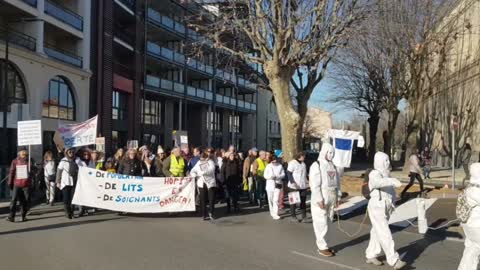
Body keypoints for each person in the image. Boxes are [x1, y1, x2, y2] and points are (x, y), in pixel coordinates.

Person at [365, 152, 406, 269]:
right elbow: (378, 183)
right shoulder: (374, 173)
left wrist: (393, 202)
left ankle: (371, 254)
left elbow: (390, 191)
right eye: (385, 161)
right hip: (377, 205)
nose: (388, 163)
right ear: (379, 162)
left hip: (386, 206)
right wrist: (393, 181)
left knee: (376, 231)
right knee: (384, 232)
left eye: (388, 160)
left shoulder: (387, 174)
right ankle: (394, 260)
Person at [309, 143, 341, 257]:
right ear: (324, 152)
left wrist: (338, 197)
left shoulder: (333, 166)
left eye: (333, 153)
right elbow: (314, 184)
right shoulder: (316, 165)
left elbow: (337, 183)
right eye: (329, 152)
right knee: (321, 223)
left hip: (331, 198)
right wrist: (319, 199)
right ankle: (322, 247)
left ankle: (326, 245)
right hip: (321, 199)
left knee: (328, 223)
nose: (331, 155)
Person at [458, 163, 480, 270]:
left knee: (470, 250)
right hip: (477, 227)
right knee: (474, 250)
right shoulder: (477, 192)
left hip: (467, 225)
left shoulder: (469, 188)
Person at [6, 149, 33, 222]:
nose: (24, 154)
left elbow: (34, 171)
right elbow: (11, 172)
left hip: (26, 184)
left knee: (25, 201)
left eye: (25, 153)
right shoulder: (15, 161)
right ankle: (11, 216)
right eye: (22, 153)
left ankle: (23, 215)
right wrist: (10, 183)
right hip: (17, 184)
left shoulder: (29, 161)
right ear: (19, 154)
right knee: (13, 200)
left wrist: (31, 168)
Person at [190, 151, 217, 220]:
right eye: (200, 159)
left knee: (211, 199)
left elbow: (212, 170)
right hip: (201, 183)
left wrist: (203, 172)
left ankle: (211, 213)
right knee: (202, 199)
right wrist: (194, 175)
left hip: (210, 183)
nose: (201, 160)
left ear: (206, 158)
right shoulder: (199, 162)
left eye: (202, 159)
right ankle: (204, 214)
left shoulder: (210, 162)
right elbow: (192, 171)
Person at [56, 148, 78, 219]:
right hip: (65, 182)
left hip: (74, 182)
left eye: (72, 151)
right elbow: (59, 172)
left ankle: (72, 213)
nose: (71, 153)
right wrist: (58, 182)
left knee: (73, 199)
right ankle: (67, 212)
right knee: (66, 199)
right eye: (69, 152)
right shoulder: (63, 161)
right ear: (66, 153)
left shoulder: (77, 160)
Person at [287, 152, 308, 223]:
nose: (304, 157)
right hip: (293, 186)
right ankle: (293, 216)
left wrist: (308, 181)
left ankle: (304, 217)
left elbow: (305, 175)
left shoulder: (304, 164)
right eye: (303, 156)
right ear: (299, 156)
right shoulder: (292, 163)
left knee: (303, 201)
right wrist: (292, 182)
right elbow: (289, 173)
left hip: (302, 186)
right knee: (293, 202)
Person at [264, 154, 285, 220]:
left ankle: (275, 213)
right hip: (270, 185)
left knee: (276, 199)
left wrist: (278, 176)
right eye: (273, 161)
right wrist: (270, 177)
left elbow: (283, 174)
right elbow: (265, 175)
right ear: (271, 161)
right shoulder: (268, 166)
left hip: (278, 184)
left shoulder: (280, 166)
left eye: (275, 161)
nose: (274, 163)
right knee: (270, 199)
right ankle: (272, 212)